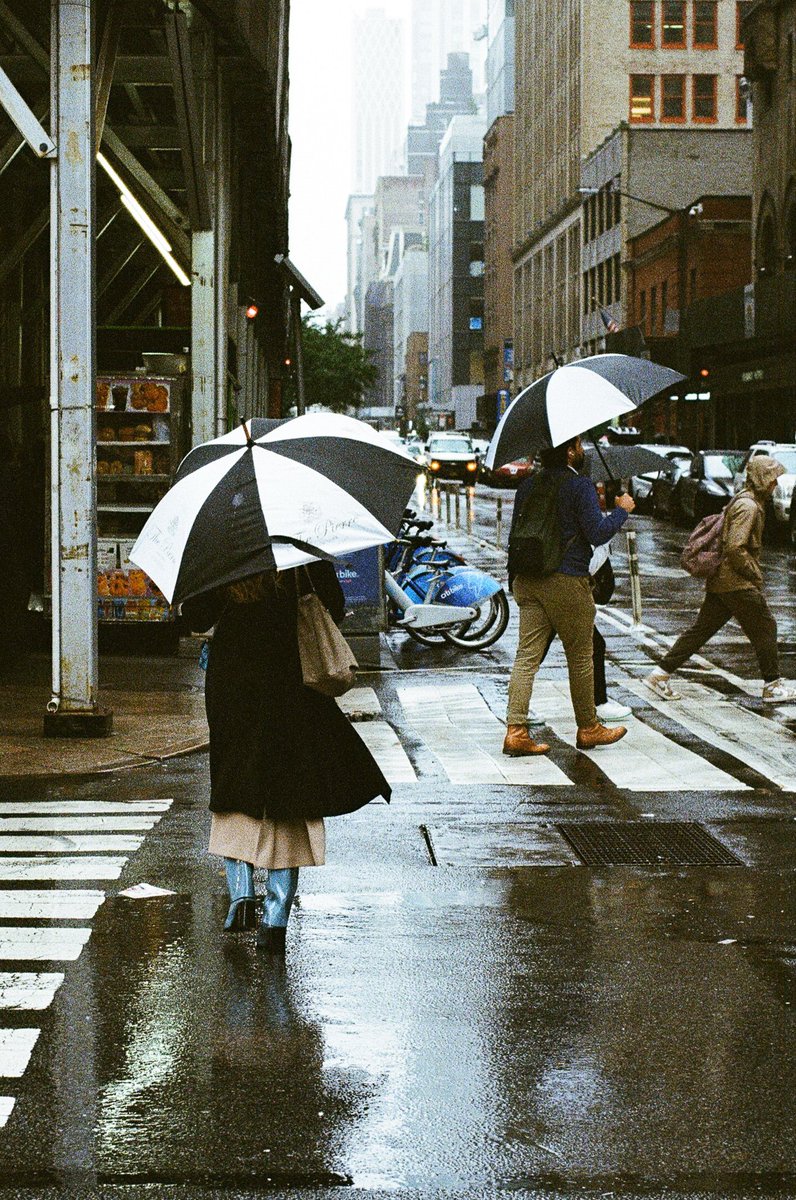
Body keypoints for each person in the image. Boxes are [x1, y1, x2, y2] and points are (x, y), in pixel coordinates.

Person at [182, 563, 390, 956]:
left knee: (236, 781)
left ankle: (241, 892)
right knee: (288, 793)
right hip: (291, 676)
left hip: (233, 676)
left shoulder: (228, 548)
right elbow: (334, 604)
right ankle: (276, 917)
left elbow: (196, 615)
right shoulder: (297, 547)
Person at [503, 435, 635, 756]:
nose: (582, 450)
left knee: (526, 657)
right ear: (571, 451)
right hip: (565, 580)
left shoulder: (527, 486)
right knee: (580, 657)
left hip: (528, 578)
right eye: (578, 445)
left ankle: (516, 730)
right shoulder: (580, 486)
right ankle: (588, 727)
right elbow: (597, 532)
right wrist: (621, 511)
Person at [646, 454, 796, 704]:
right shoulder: (748, 506)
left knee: (701, 630)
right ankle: (772, 685)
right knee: (766, 627)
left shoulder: (744, 500)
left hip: (722, 581)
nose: (775, 485)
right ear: (761, 479)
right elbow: (735, 547)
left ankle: (659, 675)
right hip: (736, 582)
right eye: (772, 479)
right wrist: (755, 574)